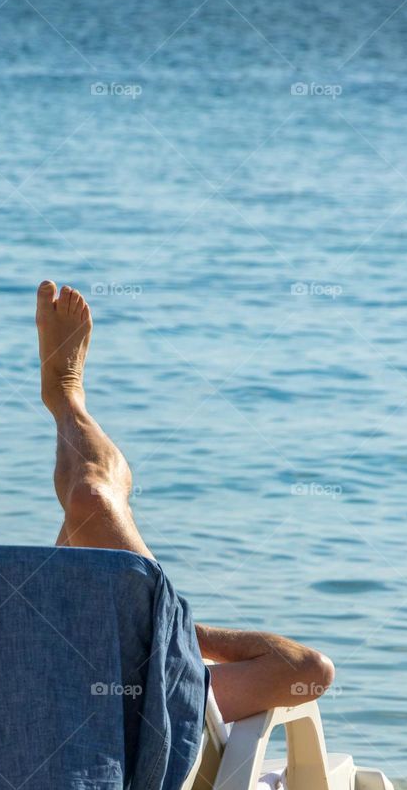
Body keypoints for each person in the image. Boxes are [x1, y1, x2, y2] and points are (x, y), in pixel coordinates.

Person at [35, 280, 335, 724]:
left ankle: (65, 397)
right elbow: (307, 670)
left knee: (92, 504)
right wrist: (177, 634)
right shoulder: (177, 692)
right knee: (93, 500)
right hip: (123, 718)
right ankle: (65, 396)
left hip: (39, 690)